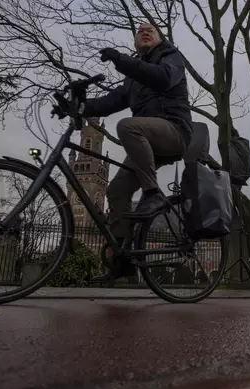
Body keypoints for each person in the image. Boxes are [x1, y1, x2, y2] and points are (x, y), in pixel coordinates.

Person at [64, 23, 192, 279]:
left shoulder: (171, 57)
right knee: (116, 191)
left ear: (160, 39)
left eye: (151, 31)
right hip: (146, 141)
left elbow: (162, 77)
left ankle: (152, 193)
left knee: (127, 126)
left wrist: (121, 60)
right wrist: (77, 107)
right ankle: (123, 261)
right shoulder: (133, 77)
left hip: (174, 132)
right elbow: (111, 102)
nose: (145, 32)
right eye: (140, 31)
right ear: (135, 43)